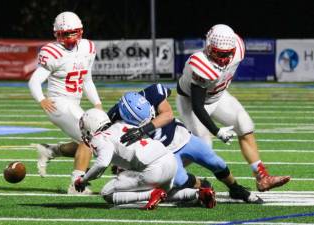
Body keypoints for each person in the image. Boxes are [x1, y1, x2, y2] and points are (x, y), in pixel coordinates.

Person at [175, 24, 290, 192]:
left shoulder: (238, 48)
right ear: (209, 47)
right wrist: (217, 131)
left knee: (244, 124)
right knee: (203, 146)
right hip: (191, 102)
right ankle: (165, 170)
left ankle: (262, 178)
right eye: (219, 53)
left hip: (218, 96)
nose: (224, 58)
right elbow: (198, 106)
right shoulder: (200, 64)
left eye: (228, 53)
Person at [108, 84, 262, 204]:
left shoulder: (152, 93)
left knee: (216, 162)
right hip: (164, 154)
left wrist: (143, 129)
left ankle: (235, 189)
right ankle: (203, 185)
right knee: (180, 180)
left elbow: (168, 115)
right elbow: (111, 140)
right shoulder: (114, 120)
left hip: (181, 137)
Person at [74, 108, 216, 209]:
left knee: (107, 193)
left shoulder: (101, 137)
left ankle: (152, 194)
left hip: (153, 169)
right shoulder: (123, 124)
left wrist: (83, 179)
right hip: (170, 160)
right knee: (166, 193)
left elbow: (102, 163)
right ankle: (199, 194)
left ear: (90, 126)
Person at [28, 11, 102, 194]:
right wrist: (42, 100)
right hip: (58, 103)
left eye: (71, 32)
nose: (68, 37)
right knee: (90, 136)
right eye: (63, 34)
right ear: (56, 34)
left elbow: (87, 80)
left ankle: (51, 150)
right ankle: (76, 185)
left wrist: (97, 103)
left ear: (80, 31)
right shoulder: (52, 52)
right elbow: (34, 81)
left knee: (94, 140)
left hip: (73, 103)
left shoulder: (88, 48)